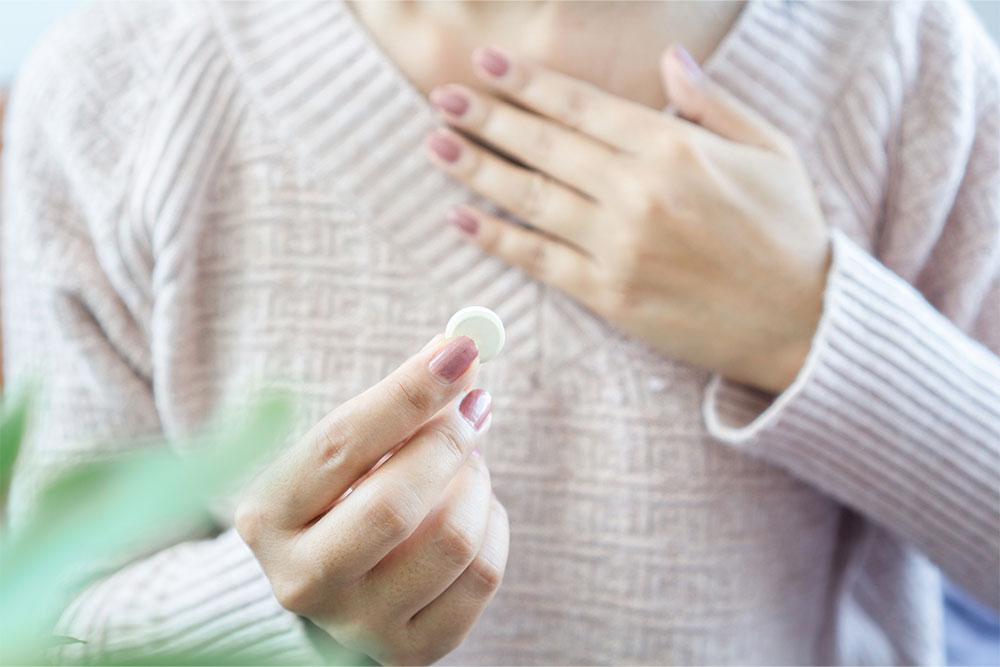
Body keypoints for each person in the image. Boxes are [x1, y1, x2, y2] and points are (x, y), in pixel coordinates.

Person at [2, 0, 997, 664]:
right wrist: (286, 617)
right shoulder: (118, 82)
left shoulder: (908, 56)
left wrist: (817, 326)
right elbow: (51, 623)